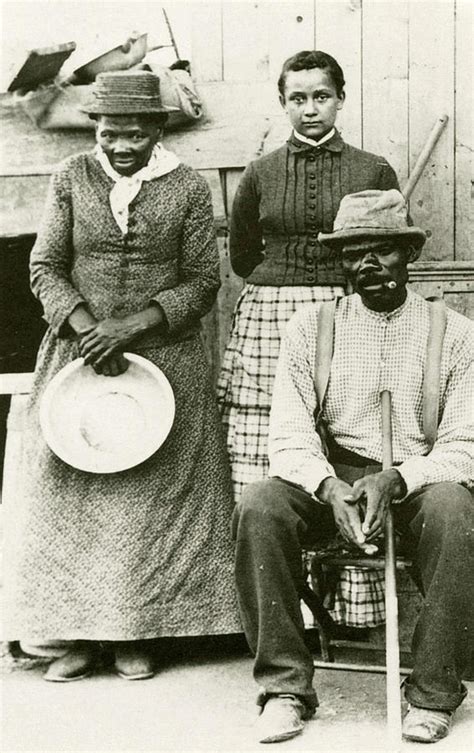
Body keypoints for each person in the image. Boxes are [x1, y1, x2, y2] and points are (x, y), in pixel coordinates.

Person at [4, 71, 240, 681]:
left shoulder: (185, 186)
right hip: (79, 358)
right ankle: (78, 636)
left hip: (164, 359)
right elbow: (45, 267)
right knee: (74, 492)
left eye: (134, 134)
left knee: (147, 501)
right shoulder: (71, 178)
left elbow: (202, 281)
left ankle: (139, 634)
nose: (121, 146)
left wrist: (129, 328)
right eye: (110, 134)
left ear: (158, 129)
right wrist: (88, 329)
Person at [233, 189, 473, 744]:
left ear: (407, 254)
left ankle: (434, 693)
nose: (368, 264)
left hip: (416, 479)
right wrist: (326, 485)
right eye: (353, 253)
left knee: (455, 506)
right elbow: (289, 436)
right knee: (260, 502)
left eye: (382, 250)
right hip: (336, 478)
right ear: (340, 262)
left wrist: (397, 478)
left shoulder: (456, 333)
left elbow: (464, 445)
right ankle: (285, 688)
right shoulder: (308, 329)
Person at [218, 50, 402, 627]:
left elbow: (384, 245)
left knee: (346, 440)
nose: (310, 109)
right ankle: (283, 610)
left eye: (321, 96)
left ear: (341, 99)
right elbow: (244, 254)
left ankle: (353, 609)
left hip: (349, 311)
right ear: (283, 104)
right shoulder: (260, 172)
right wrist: (286, 287)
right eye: (297, 98)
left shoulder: (372, 170)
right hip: (272, 315)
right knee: (270, 453)